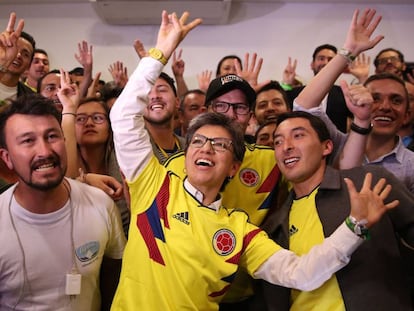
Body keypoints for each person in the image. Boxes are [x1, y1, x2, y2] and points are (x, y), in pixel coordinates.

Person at [109, 10, 397, 310]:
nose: (206, 149)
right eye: (198, 141)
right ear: (186, 150)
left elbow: (300, 273)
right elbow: (123, 115)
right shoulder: (154, 183)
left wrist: (356, 227)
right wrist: (161, 53)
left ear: (235, 165)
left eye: (220, 144)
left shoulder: (239, 230)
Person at [257, 110, 414, 311]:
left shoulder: (367, 183)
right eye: (278, 142)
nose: (286, 147)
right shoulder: (275, 224)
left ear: (327, 146)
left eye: (298, 135)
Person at [0, 94, 126, 310]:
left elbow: (113, 280)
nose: (44, 151)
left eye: (51, 136)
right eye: (28, 141)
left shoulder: (100, 204)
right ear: (7, 158)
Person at [284, 44, 353, 133]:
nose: (325, 63)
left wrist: (362, 78)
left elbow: (362, 115)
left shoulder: (344, 92)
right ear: (312, 64)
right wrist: (286, 85)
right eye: (321, 58)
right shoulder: (295, 92)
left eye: (331, 60)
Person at [0, 13, 35, 104]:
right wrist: (4, 63)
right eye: (12, 48)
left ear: (29, 66)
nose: (18, 55)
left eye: (25, 54)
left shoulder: (32, 98)